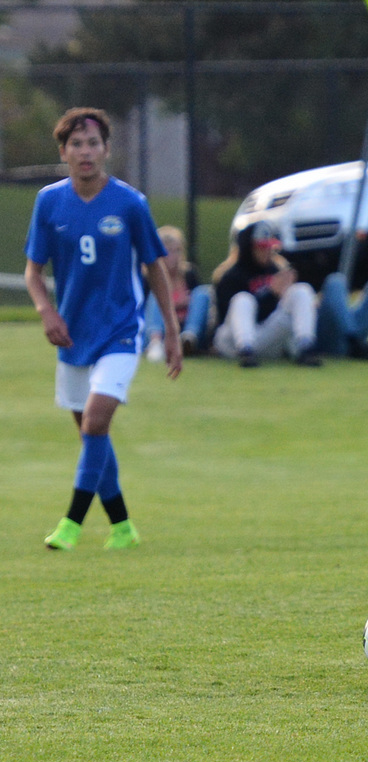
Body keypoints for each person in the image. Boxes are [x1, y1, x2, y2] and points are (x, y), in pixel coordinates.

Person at [24, 107, 182, 552]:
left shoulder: (130, 203)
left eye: (93, 143)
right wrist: (46, 312)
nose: (85, 151)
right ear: (64, 151)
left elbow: (155, 268)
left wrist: (170, 332)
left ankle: (71, 523)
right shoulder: (49, 202)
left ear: (107, 150)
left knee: (94, 422)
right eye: (76, 144)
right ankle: (123, 527)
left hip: (120, 332)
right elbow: (34, 273)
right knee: (92, 434)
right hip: (73, 336)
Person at [211, 220, 322, 368]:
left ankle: (306, 347)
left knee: (301, 290)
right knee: (243, 299)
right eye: (262, 248)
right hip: (232, 341)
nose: (268, 252)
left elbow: (276, 313)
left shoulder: (275, 270)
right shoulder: (231, 276)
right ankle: (246, 352)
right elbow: (227, 316)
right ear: (249, 248)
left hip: (265, 338)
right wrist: (270, 294)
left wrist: (284, 294)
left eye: (269, 247)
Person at [144, 225, 212, 361]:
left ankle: (188, 339)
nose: (174, 257)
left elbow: (197, 307)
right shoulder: (147, 277)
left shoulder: (189, 274)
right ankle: (155, 343)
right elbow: (147, 311)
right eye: (169, 251)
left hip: (184, 323)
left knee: (202, 293)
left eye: (177, 251)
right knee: (155, 295)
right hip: (161, 326)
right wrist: (176, 304)